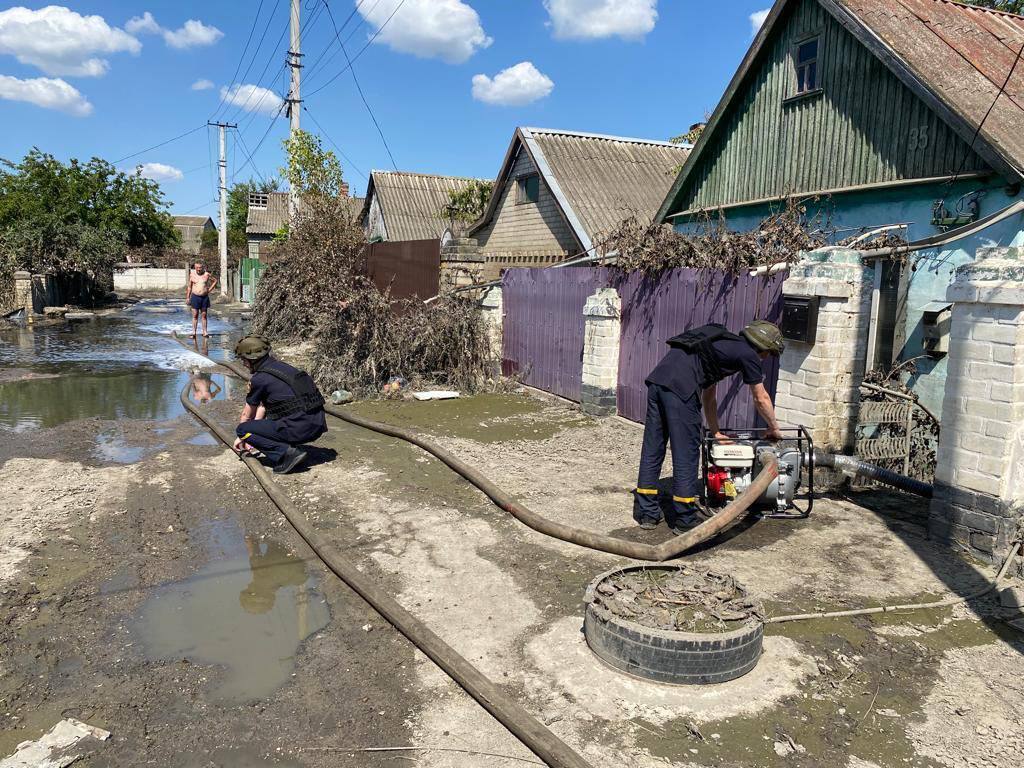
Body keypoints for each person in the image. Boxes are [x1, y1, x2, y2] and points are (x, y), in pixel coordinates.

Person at [633, 320, 786, 533]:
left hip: (657, 382)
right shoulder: (748, 355)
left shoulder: (720, 342)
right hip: (681, 389)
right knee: (686, 453)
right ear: (762, 347)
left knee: (653, 448)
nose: (767, 357)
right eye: (769, 352)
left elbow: (709, 395)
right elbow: (761, 397)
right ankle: (684, 518)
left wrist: (716, 431)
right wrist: (774, 427)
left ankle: (646, 513)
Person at [232, 334, 328, 474]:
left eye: (243, 359)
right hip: (317, 425)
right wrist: (254, 433)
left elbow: (247, 414)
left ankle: (286, 454)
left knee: (242, 429)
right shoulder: (284, 368)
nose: (243, 363)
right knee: (254, 427)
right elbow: (263, 406)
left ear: (252, 359)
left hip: (298, 429)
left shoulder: (260, 378)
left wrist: (242, 435)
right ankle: (288, 446)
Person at [186, 261, 217, 338]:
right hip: (195, 297)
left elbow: (215, 281)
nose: (199, 269)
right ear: (195, 268)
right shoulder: (192, 275)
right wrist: (187, 297)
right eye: (197, 268)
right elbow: (189, 287)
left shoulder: (206, 274)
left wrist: (209, 290)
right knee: (195, 315)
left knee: (204, 315)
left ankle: (205, 332)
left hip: (204, 297)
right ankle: (193, 333)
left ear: (203, 267)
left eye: (200, 267)